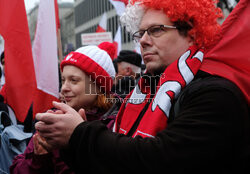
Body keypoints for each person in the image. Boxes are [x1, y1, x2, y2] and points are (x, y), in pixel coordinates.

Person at [35, 0, 250, 173]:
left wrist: (79, 135)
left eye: (156, 30)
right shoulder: (146, 89)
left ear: (192, 33)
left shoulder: (216, 94)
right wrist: (71, 145)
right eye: (141, 33)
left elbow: (159, 160)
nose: (143, 40)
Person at [10, 42, 119, 174]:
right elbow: (17, 169)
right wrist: (39, 158)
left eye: (74, 80)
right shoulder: (53, 119)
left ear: (97, 86)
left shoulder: (117, 124)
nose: (64, 88)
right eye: (63, 80)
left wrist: (69, 147)